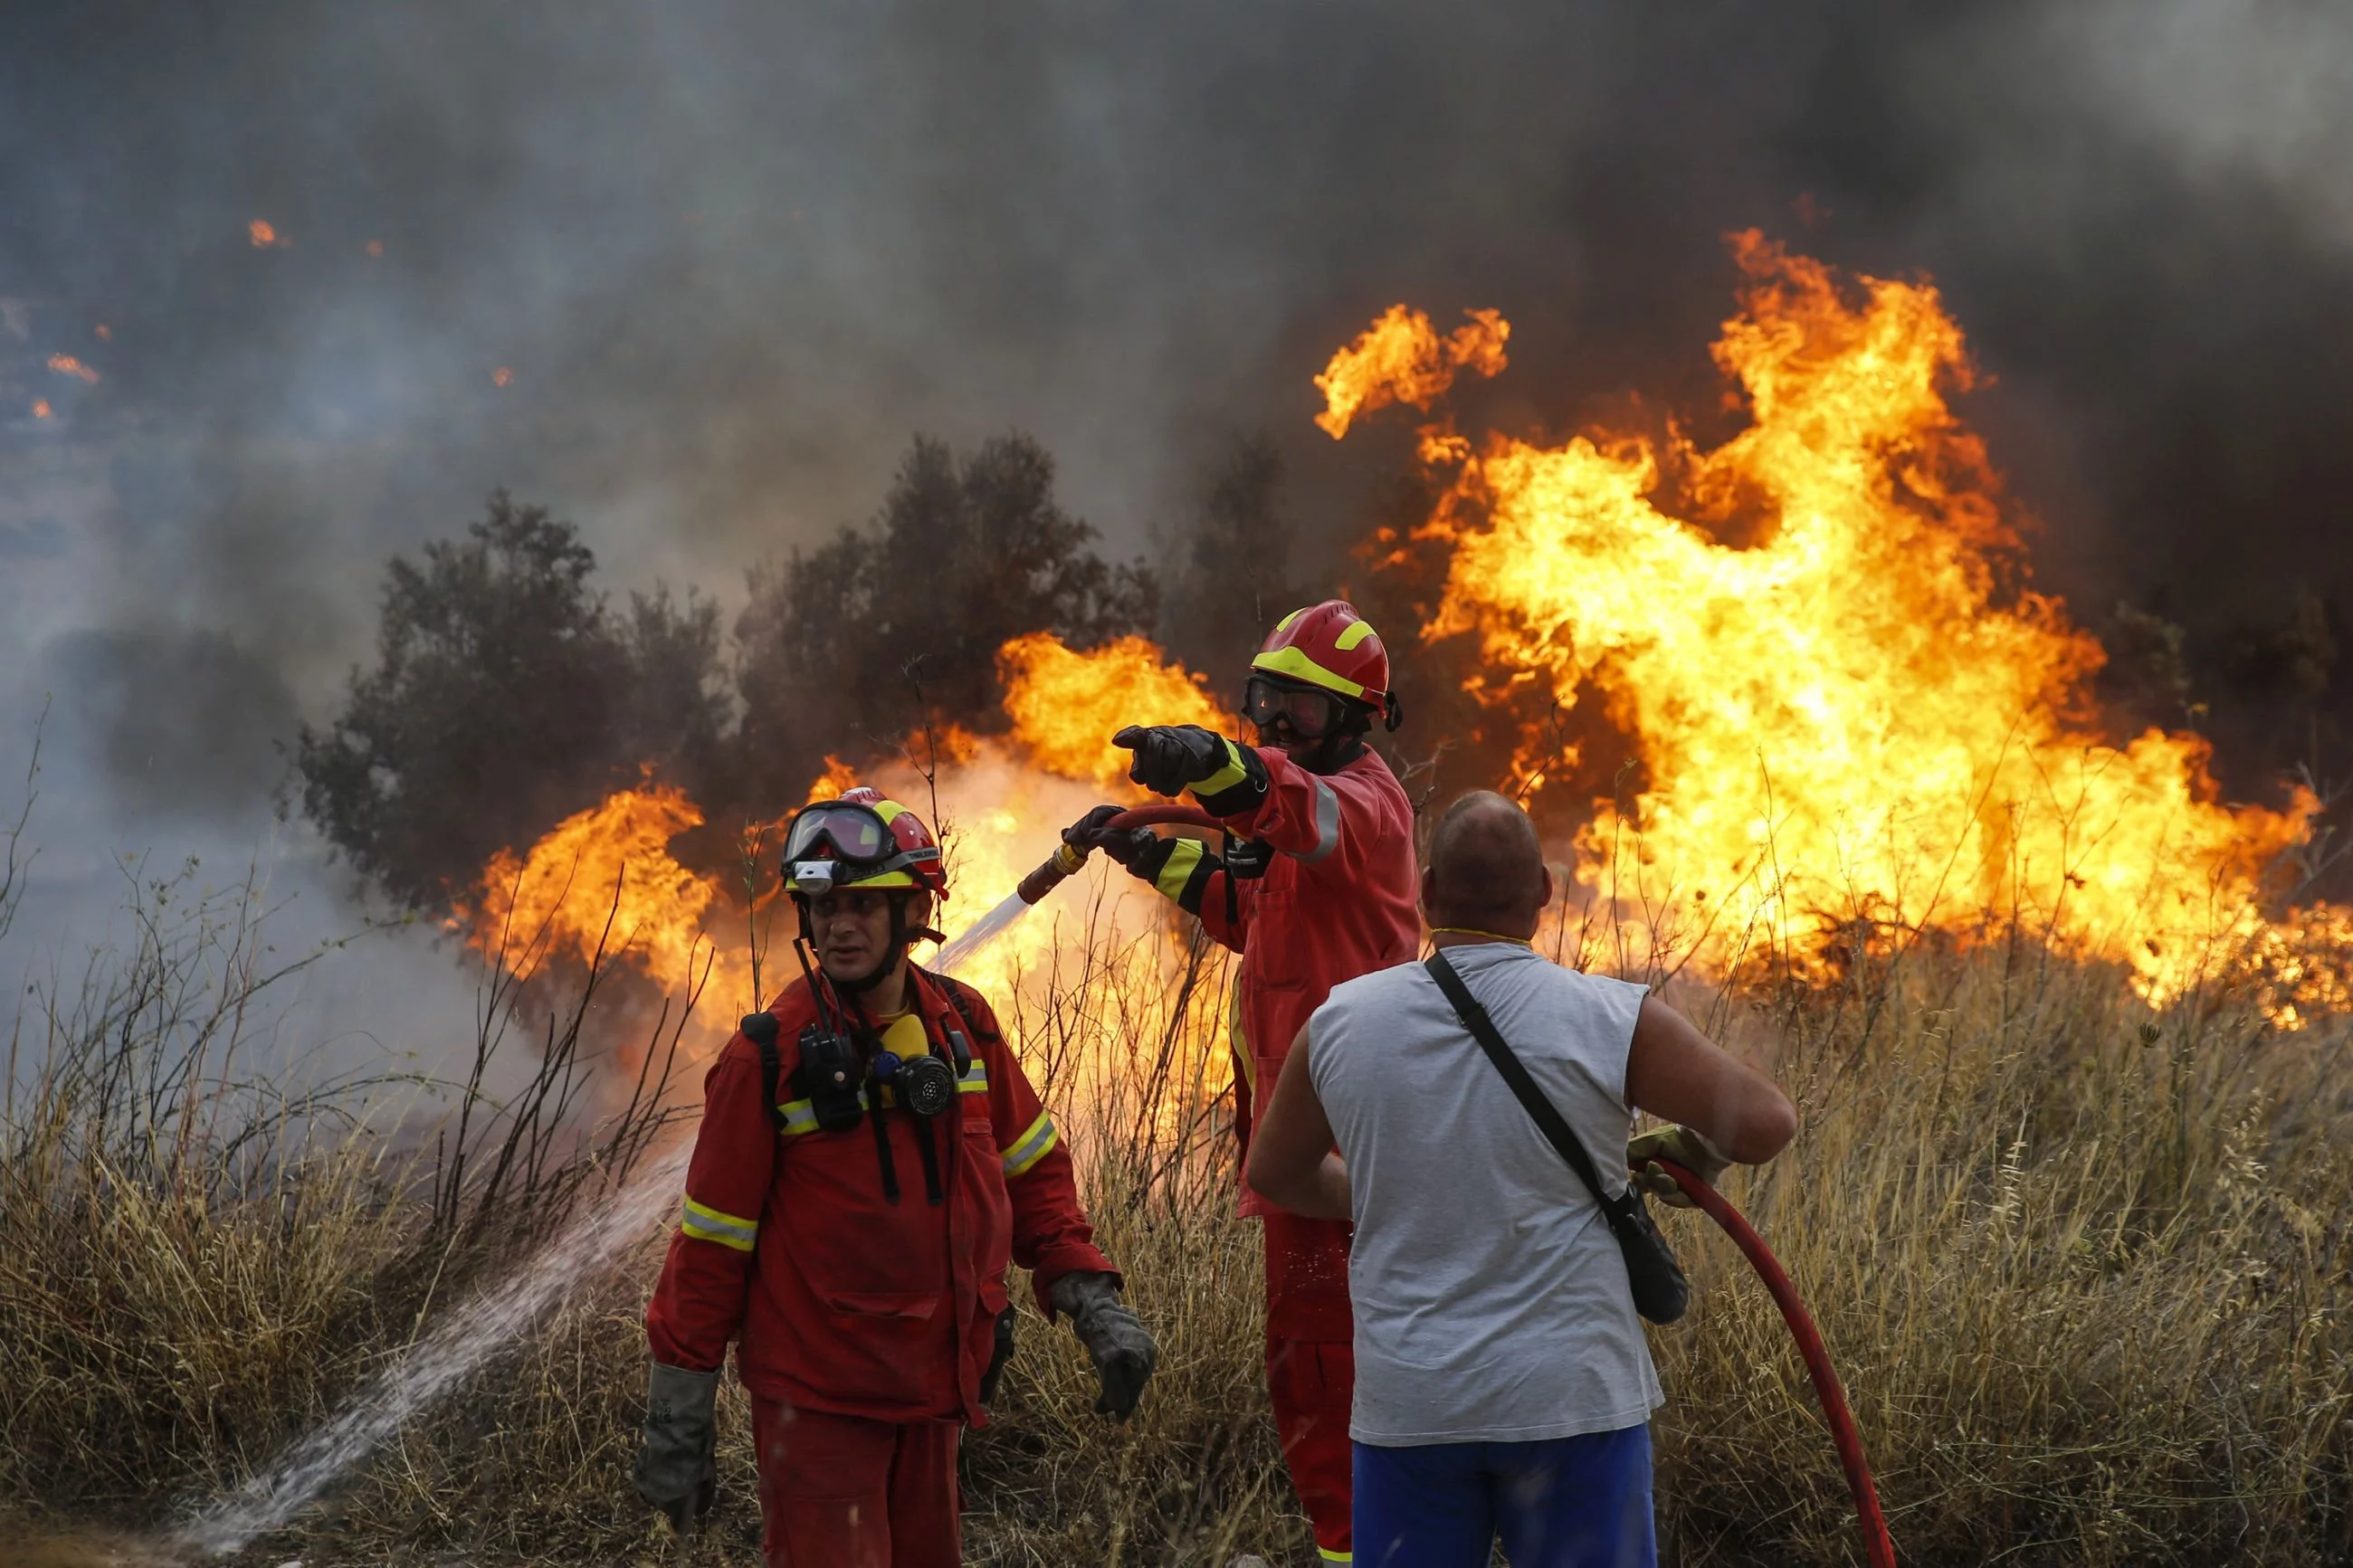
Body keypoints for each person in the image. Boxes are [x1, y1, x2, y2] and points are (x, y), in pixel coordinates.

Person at [1243, 791, 1799, 1568]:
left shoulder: (1341, 1020)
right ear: (1544, 891)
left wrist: (1385, 1192)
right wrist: (1700, 1152)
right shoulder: (1609, 1017)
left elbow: (1275, 1172)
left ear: (1427, 891)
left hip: (1413, 1406)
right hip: (1572, 1402)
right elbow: (1766, 1122)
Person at [634, 786, 1157, 1567]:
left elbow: (1035, 1176)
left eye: (863, 905)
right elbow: (710, 1249)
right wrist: (679, 1421)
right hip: (819, 1409)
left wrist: (1093, 1301)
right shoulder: (768, 1059)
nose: (837, 925)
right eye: (821, 906)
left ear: (915, 911)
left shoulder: (966, 1027)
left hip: (936, 1397)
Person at [1063, 600, 1420, 1564]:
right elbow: (1255, 914)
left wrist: (1212, 762)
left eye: (1299, 708)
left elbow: (1288, 804)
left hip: (1347, 1155)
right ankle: (1354, 1543)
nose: (1274, 719)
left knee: (1328, 1369)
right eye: (1265, 697)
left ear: (1355, 717)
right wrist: (1158, 855)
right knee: (1309, 1369)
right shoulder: (1295, 810)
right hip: (1302, 1147)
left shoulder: (1363, 805)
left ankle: (1362, 1548)